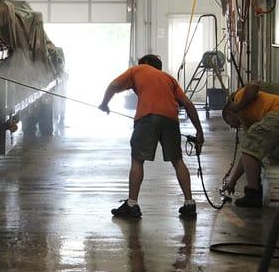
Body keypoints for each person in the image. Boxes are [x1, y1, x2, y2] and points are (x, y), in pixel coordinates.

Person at [99, 54, 204, 218]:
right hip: (171, 119)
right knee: (177, 160)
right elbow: (188, 104)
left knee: (137, 159)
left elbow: (114, 85)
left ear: (146, 63)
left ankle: (132, 204)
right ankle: (189, 203)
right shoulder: (169, 78)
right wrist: (199, 131)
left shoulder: (138, 69)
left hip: (147, 117)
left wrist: (104, 104)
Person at [221, 83, 279, 207]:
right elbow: (247, 155)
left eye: (228, 122)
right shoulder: (249, 122)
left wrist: (238, 105)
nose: (231, 126)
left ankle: (253, 194)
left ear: (230, 113)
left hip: (276, 113)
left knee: (250, 147)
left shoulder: (237, 98)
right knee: (251, 149)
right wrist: (232, 182)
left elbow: (253, 87)